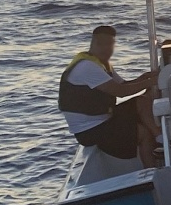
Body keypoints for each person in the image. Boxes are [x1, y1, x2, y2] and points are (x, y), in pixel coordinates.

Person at [58, 25, 160, 167]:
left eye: (111, 45)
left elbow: (124, 84)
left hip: (103, 119)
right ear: (94, 44)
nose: (108, 49)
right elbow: (120, 92)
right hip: (90, 130)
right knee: (143, 133)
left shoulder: (101, 64)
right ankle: (152, 171)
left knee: (142, 101)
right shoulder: (87, 67)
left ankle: (160, 137)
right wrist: (152, 81)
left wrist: (146, 78)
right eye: (103, 45)